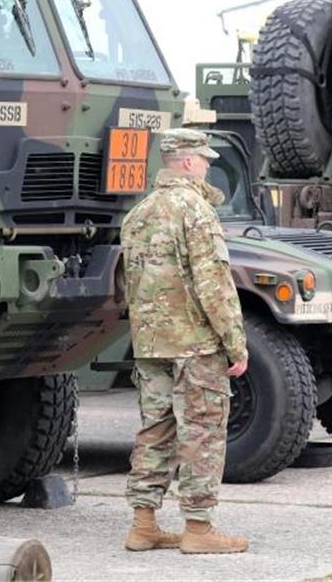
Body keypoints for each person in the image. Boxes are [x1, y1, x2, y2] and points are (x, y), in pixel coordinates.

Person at [121, 128, 250, 554]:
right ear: (190, 162)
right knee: (202, 431)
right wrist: (236, 342)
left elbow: (127, 282)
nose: (208, 166)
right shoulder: (195, 211)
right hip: (195, 343)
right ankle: (198, 527)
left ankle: (143, 523)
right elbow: (214, 285)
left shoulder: (138, 214)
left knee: (154, 428)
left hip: (150, 342)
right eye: (206, 160)